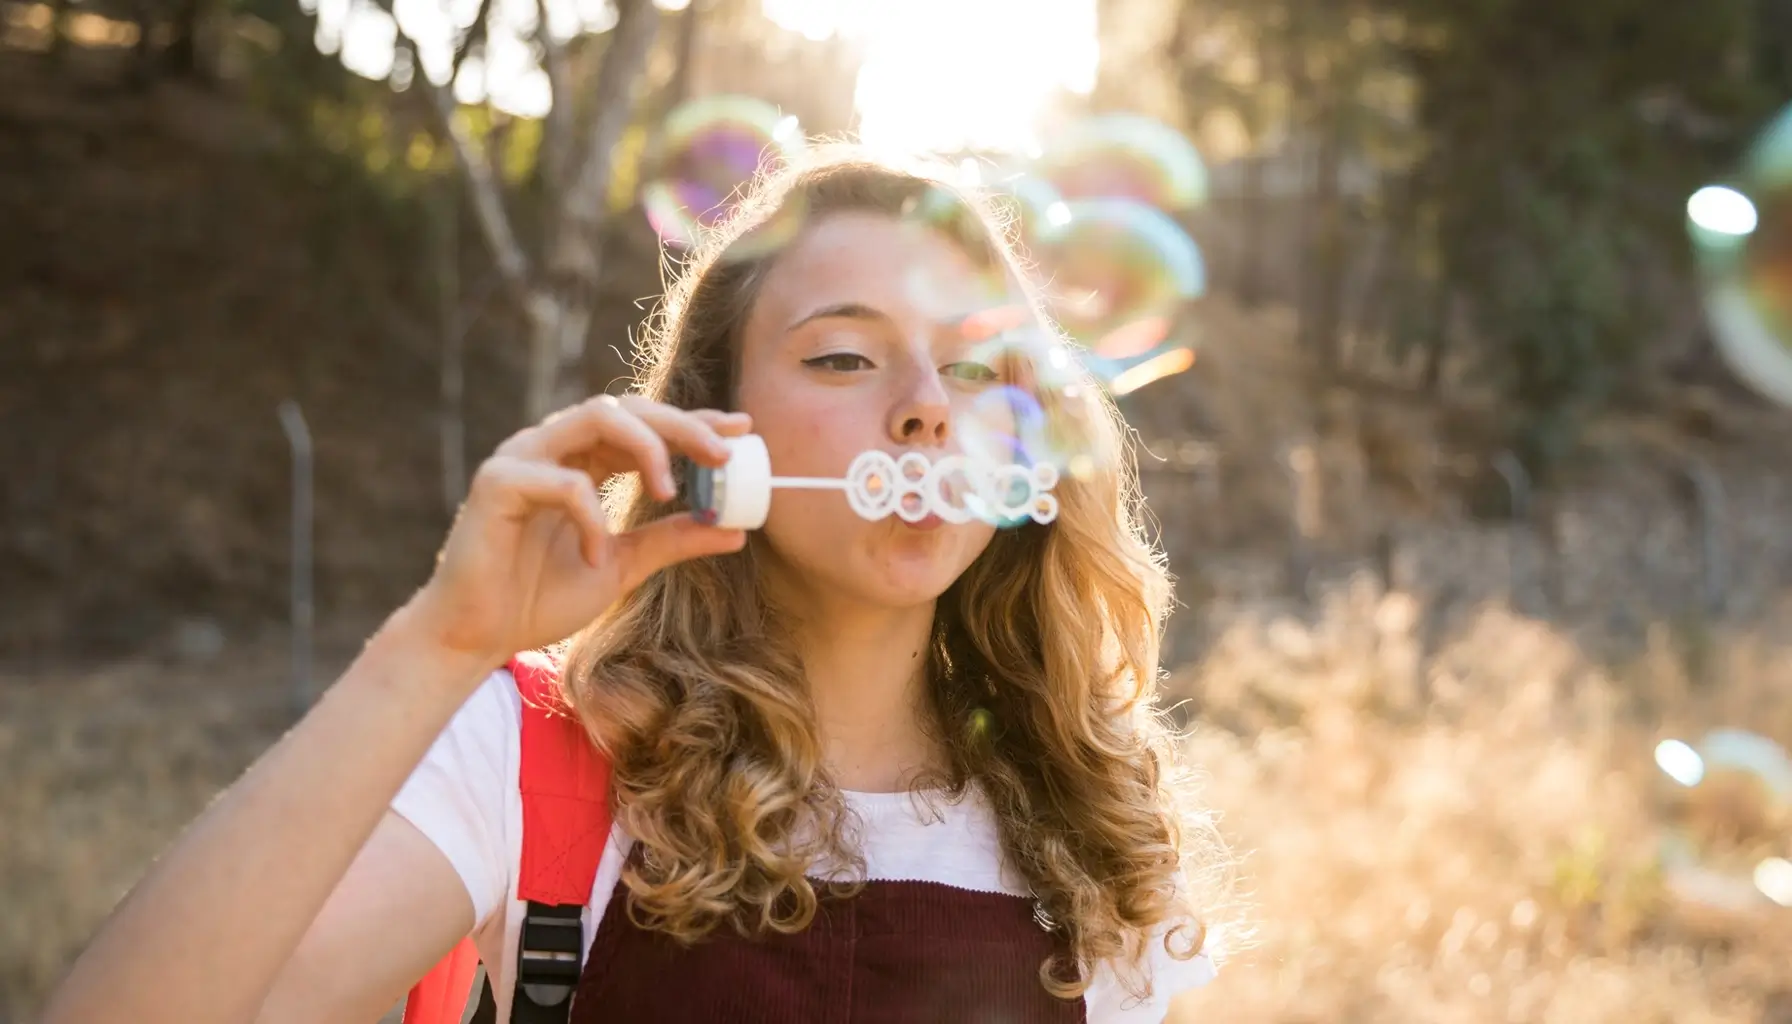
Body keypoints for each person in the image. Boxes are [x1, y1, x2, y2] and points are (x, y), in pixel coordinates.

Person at [41, 144, 1229, 1024]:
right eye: (842, 355)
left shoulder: (1091, 837)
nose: (924, 402)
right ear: (722, 429)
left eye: (972, 362)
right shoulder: (537, 757)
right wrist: (439, 645)